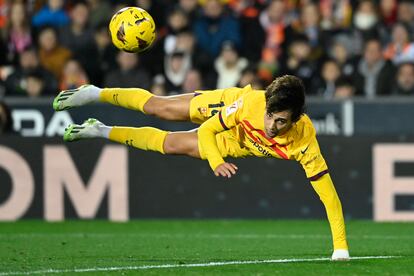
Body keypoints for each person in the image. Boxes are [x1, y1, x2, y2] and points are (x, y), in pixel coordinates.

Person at [52, 75, 349, 261]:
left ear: (296, 119)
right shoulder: (250, 106)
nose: (271, 125)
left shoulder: (304, 141)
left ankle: (101, 130)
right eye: (270, 115)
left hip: (237, 146)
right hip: (224, 111)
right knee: (161, 108)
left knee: (170, 145)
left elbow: (329, 195)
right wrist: (216, 162)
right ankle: (96, 93)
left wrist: (340, 248)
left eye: (281, 121)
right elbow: (207, 132)